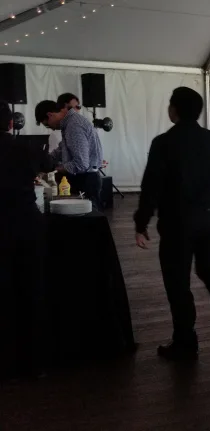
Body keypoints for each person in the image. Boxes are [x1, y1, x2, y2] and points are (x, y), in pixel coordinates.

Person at [133, 87, 210, 361]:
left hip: (176, 222)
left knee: (178, 283)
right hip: (209, 219)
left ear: (174, 109)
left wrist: (142, 222)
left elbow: (151, 187)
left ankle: (186, 342)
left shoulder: (163, 143)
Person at [0, 100, 54, 378]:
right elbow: (49, 164)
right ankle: (33, 363)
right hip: (27, 223)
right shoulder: (27, 147)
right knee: (32, 290)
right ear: (11, 123)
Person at [35, 99, 103, 209]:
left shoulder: (74, 125)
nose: (51, 128)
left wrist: (55, 169)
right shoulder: (70, 123)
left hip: (86, 180)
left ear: (50, 115)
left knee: (87, 222)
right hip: (84, 178)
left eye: (48, 125)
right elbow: (62, 149)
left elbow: (81, 164)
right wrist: (45, 161)